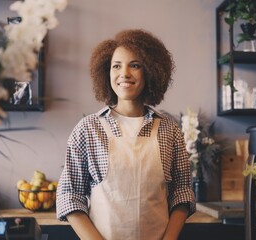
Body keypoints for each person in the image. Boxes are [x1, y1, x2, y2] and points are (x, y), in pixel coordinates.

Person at [56, 29, 196, 240]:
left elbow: (182, 193)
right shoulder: (88, 129)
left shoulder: (169, 130)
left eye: (135, 65)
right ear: (106, 72)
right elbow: (70, 195)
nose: (125, 74)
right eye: (116, 66)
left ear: (150, 71)